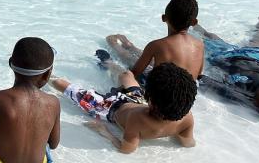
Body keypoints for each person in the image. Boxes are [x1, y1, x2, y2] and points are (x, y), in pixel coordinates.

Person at [51, 62, 197, 154]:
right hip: (137, 101)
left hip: (109, 107)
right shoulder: (187, 118)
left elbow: (125, 149)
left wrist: (104, 131)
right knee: (127, 75)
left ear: (150, 98)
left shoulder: (138, 120)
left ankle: (49, 78)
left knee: (73, 91)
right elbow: (188, 143)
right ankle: (107, 63)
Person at [194, 16, 259, 122]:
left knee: (210, 37)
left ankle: (193, 24)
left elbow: (213, 85)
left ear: (258, 104)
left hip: (231, 58)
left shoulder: (243, 96)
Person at [103, 0, 205, 83]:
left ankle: (116, 48)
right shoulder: (200, 45)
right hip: (185, 98)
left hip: (160, 96)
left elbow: (135, 72)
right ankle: (130, 47)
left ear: (164, 18)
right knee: (162, 62)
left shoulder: (156, 45)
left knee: (130, 61)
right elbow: (199, 75)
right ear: (194, 22)